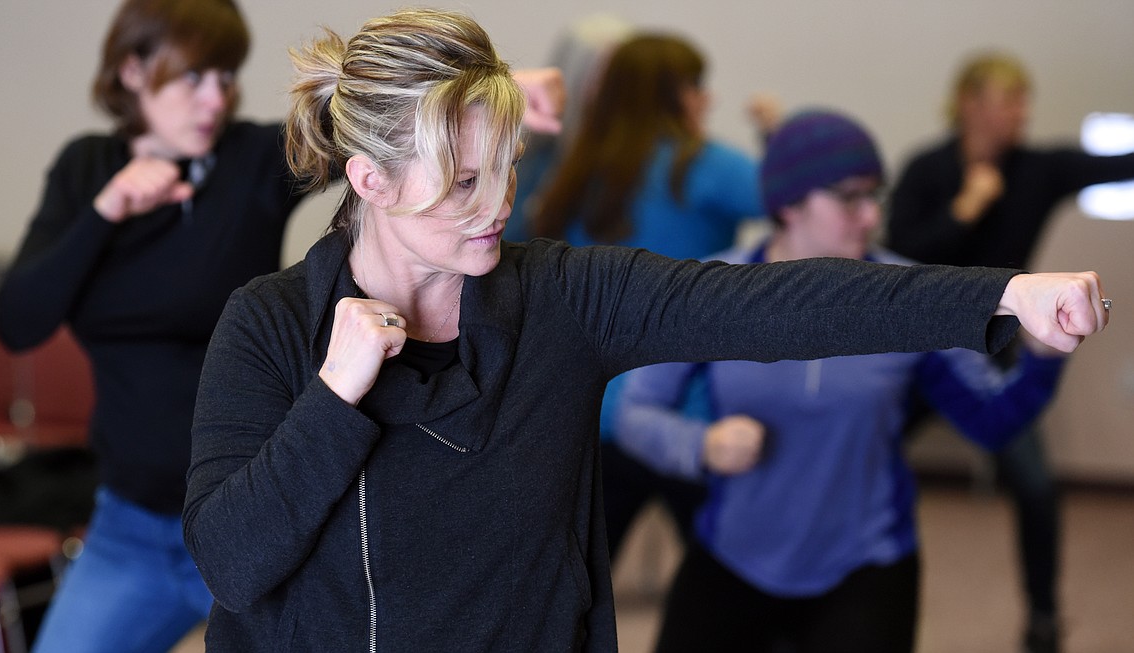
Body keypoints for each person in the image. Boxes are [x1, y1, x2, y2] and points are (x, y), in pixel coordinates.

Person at [180, 10, 1109, 651]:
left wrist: (1001, 294)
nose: (497, 202)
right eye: (464, 180)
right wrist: (334, 395)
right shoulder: (270, 326)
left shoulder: (561, 299)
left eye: (507, 166)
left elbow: (774, 305)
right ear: (369, 181)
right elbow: (233, 560)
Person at [0, 1, 564, 651]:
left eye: (226, 77)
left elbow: (387, 128)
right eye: (194, 78)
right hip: (133, 526)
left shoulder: (250, 162)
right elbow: (17, 321)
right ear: (131, 71)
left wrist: (502, 89)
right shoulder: (86, 170)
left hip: (275, 512)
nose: (217, 97)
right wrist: (107, 209)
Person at [616, 109, 1073, 653]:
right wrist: (700, 445)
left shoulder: (913, 300)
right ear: (788, 204)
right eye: (850, 197)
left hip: (868, 564)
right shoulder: (714, 290)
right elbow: (635, 412)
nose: (868, 217)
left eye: (874, 197)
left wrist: (1044, 358)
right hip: (734, 555)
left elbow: (993, 423)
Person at [885, 51, 1134, 653]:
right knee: (853, 452)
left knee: (1037, 487)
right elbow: (895, 256)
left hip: (993, 345)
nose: (1022, 113)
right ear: (971, 103)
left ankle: (1043, 618)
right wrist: (965, 208)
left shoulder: (1038, 169)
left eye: (1024, 101)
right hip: (915, 348)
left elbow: (1118, 163)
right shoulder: (926, 168)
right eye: (1010, 100)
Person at [530, 32, 765, 558]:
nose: (708, 100)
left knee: (574, 593)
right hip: (692, 414)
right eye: (698, 87)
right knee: (726, 581)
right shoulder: (700, 165)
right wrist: (777, 133)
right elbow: (800, 200)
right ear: (678, 93)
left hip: (593, 409)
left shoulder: (575, 169)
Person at [505, 13, 634, 242]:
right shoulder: (533, 146)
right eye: (605, 75)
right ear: (575, 72)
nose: (615, 88)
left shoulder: (637, 155)